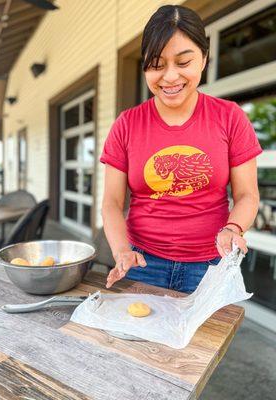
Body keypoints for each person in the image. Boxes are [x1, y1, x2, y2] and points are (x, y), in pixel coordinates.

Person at [100, 5, 262, 292]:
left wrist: (233, 228)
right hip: (142, 262)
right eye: (157, 65)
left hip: (212, 262)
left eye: (183, 62)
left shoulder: (230, 117)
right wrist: (122, 251)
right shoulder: (127, 124)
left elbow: (247, 195)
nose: (170, 77)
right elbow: (112, 203)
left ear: (204, 59)